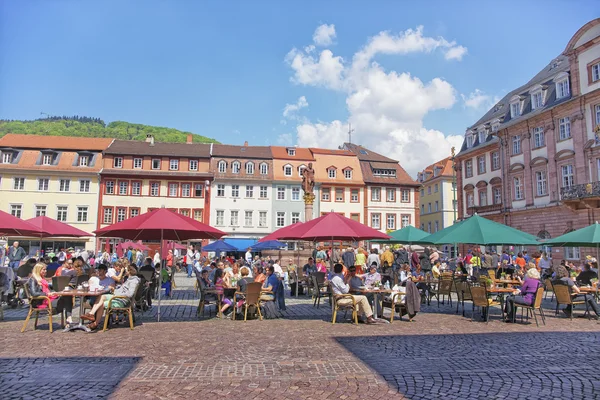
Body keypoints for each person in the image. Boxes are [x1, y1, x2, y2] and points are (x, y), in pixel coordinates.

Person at [80, 264, 140, 330]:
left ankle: (95, 323)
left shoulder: (134, 281)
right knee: (101, 296)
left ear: (129, 271)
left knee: (101, 304)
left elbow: (130, 294)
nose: (124, 272)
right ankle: (91, 314)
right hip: (117, 297)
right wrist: (114, 290)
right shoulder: (129, 279)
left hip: (122, 300)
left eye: (125, 270)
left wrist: (116, 293)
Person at [27, 263, 75, 329]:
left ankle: (69, 320)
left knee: (67, 296)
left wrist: (57, 292)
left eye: (45, 269)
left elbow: (49, 288)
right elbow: (34, 293)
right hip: (42, 301)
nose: (45, 271)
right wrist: (47, 294)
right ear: (38, 270)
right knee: (67, 298)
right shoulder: (33, 280)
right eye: (43, 269)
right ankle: (69, 321)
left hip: (48, 299)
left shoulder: (42, 279)